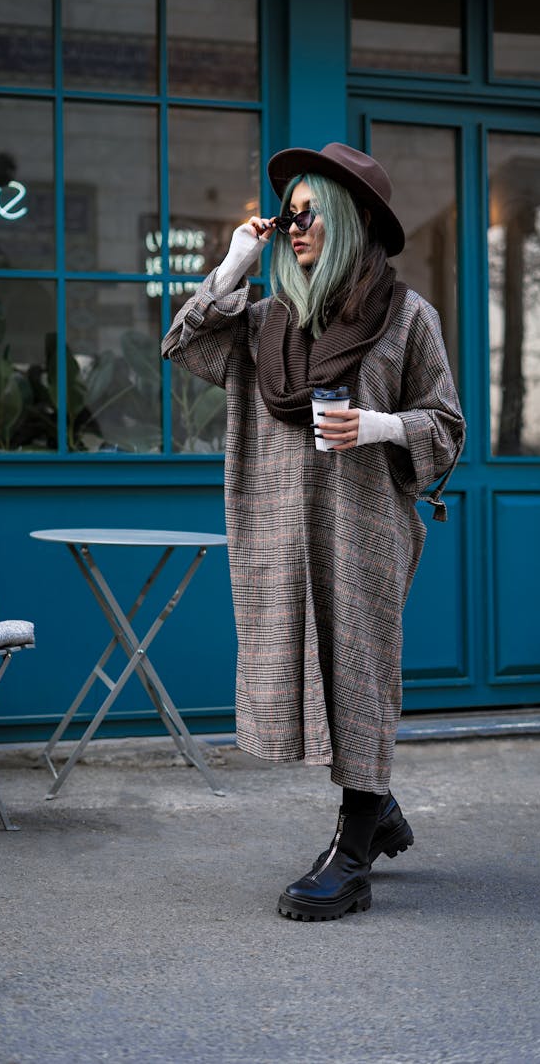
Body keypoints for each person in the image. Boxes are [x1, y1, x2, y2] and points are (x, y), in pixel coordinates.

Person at [161, 142, 465, 922]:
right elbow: (185, 344)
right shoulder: (265, 321)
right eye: (287, 214)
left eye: (308, 213)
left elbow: (447, 426)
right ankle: (380, 805)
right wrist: (231, 264)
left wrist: (378, 425)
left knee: (359, 669)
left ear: (351, 220)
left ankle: (353, 847)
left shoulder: (407, 318)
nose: (294, 227)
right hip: (277, 525)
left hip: (363, 527)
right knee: (309, 673)